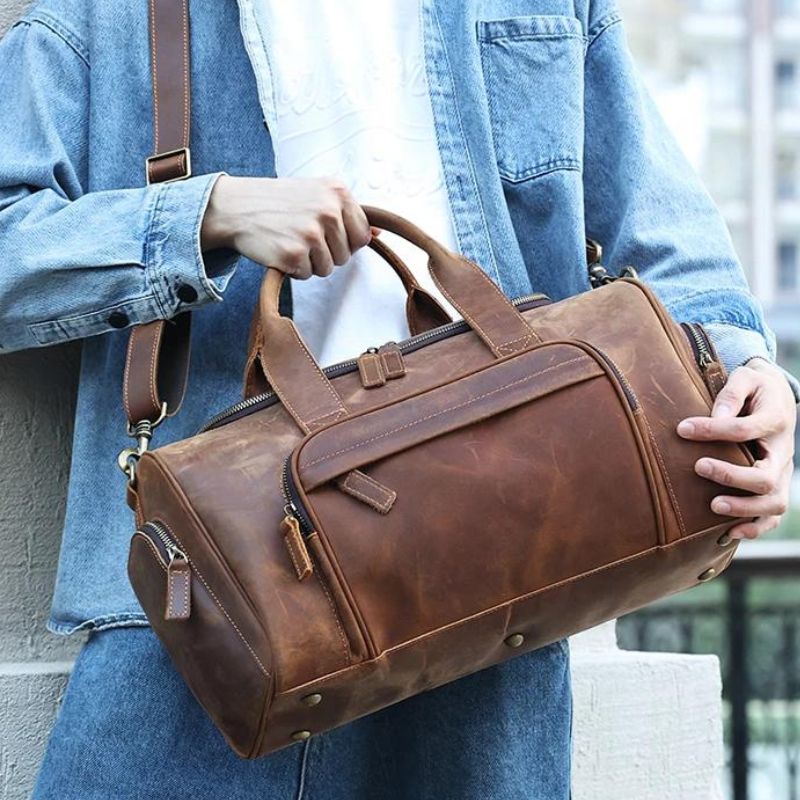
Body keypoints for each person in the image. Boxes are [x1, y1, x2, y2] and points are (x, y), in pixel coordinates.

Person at [0, 1, 796, 798]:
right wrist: (208, 213)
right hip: (211, 595)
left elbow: (664, 233)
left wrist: (744, 374)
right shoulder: (112, 14)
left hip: (497, 583)